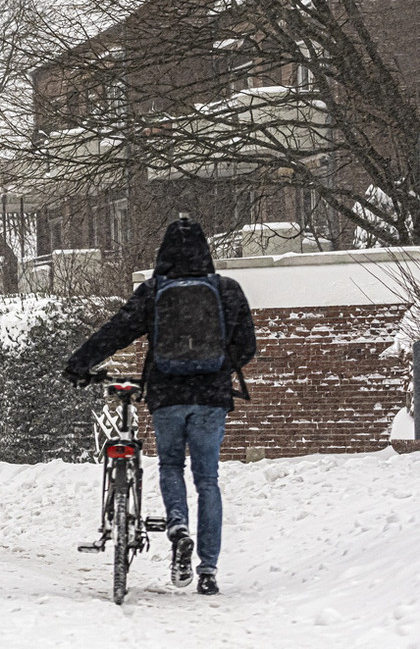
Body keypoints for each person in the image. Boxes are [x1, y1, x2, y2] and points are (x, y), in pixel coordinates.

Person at [64, 216, 256, 597]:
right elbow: (246, 346)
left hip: (167, 395)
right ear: (205, 250)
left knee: (171, 465)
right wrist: (217, 366)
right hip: (210, 397)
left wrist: (79, 363)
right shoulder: (226, 290)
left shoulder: (153, 291)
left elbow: (116, 330)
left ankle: (178, 528)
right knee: (207, 480)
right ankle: (208, 570)